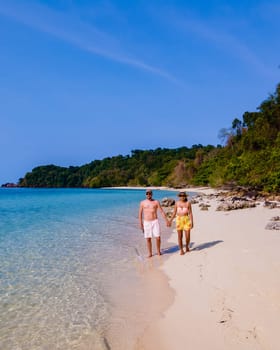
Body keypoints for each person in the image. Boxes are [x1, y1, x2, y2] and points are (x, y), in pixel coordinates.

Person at [138, 189, 169, 258]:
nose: (148, 195)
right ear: (145, 194)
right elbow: (140, 214)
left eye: (150, 193)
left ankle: (158, 251)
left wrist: (166, 220)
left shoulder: (156, 202)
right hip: (146, 222)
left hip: (155, 221)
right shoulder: (142, 202)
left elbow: (161, 212)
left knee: (158, 237)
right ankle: (150, 253)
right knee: (148, 238)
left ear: (152, 194)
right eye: (147, 193)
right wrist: (141, 224)